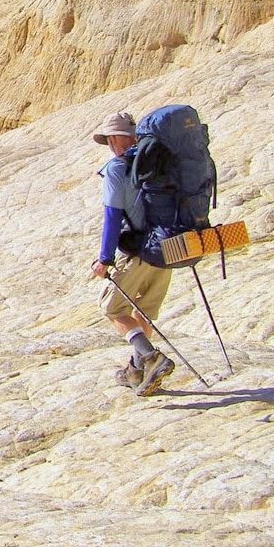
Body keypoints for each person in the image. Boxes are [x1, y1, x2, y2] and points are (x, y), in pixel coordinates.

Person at [89, 112, 175, 396]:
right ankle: (137, 372)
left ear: (114, 140)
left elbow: (112, 216)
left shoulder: (117, 168)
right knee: (145, 312)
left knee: (112, 308)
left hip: (141, 248)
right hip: (172, 246)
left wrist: (105, 258)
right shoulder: (160, 161)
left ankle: (149, 357)